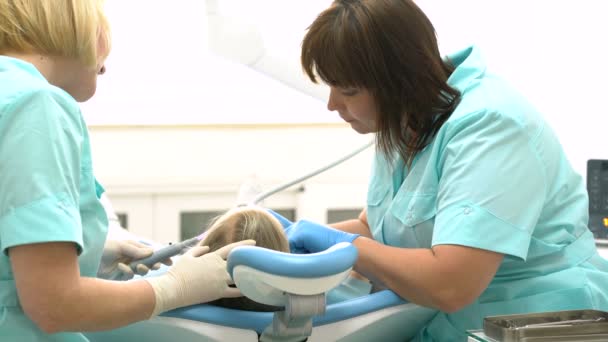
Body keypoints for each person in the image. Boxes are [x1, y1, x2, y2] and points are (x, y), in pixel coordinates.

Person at [278, 0, 608, 340]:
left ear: (397, 81)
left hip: (537, 322)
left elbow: (452, 284)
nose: (333, 104)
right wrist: (286, 242)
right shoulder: (406, 118)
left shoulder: (491, 126)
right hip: (448, 320)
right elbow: (382, 227)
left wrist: (346, 248)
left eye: (347, 90)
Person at [0, 1, 253, 340]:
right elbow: (53, 304)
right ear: (70, 22)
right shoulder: (36, 106)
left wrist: (86, 254)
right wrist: (174, 288)